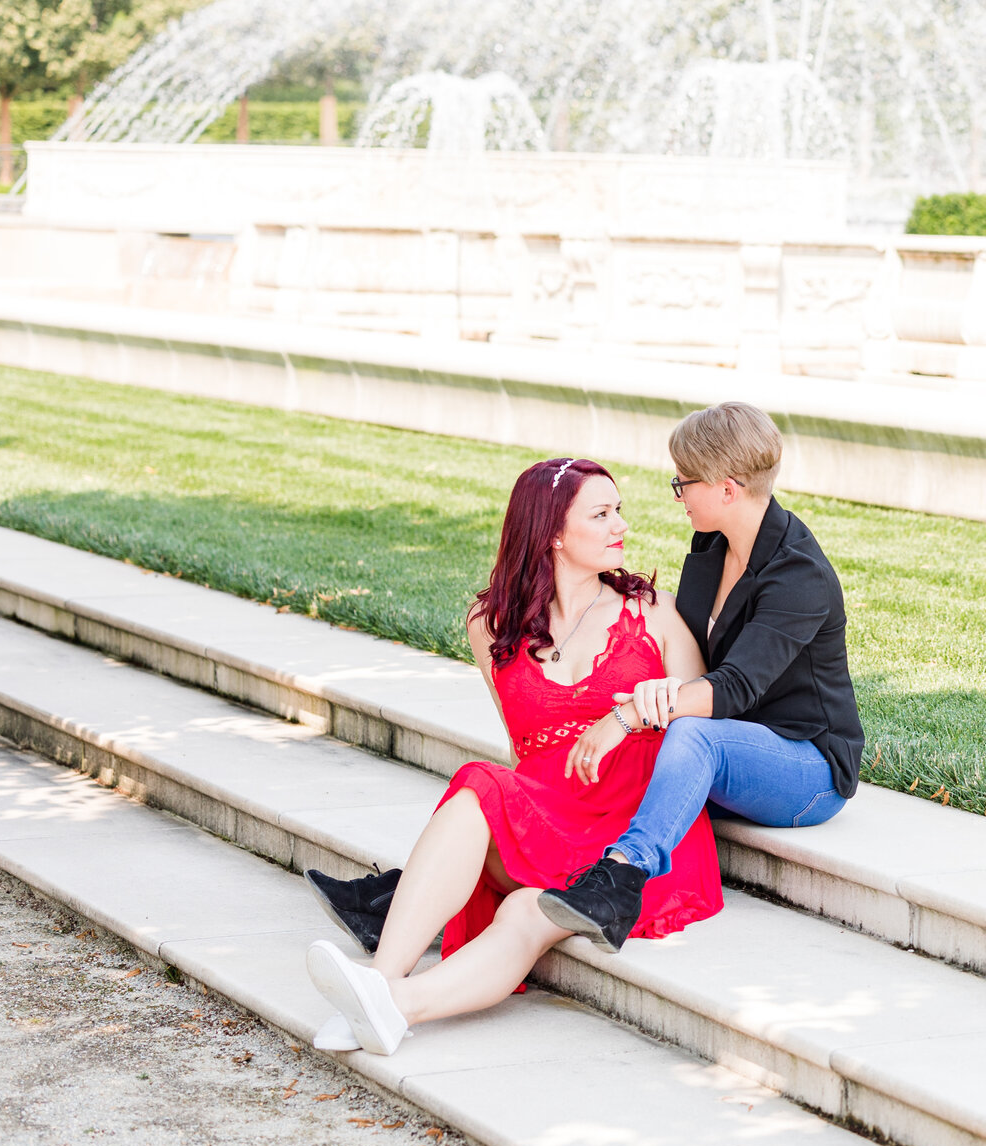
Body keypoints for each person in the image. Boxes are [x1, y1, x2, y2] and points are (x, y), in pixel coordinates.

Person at [302, 457, 722, 1056]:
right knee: (481, 783)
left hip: (637, 831)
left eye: (618, 510)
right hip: (550, 812)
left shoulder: (654, 613)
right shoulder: (491, 623)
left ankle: (388, 1001)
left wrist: (653, 706)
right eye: (600, 514)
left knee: (529, 909)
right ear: (551, 531)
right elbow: (522, 744)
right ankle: (384, 984)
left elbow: (709, 728)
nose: (620, 526)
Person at [537, 401, 861, 951]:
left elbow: (732, 688)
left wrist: (630, 714)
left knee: (687, 733)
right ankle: (448, 888)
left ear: (727, 488)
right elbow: (688, 651)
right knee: (615, 761)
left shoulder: (799, 575)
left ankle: (621, 879)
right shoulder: (712, 544)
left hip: (805, 766)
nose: (678, 494)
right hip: (723, 735)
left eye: (684, 482)